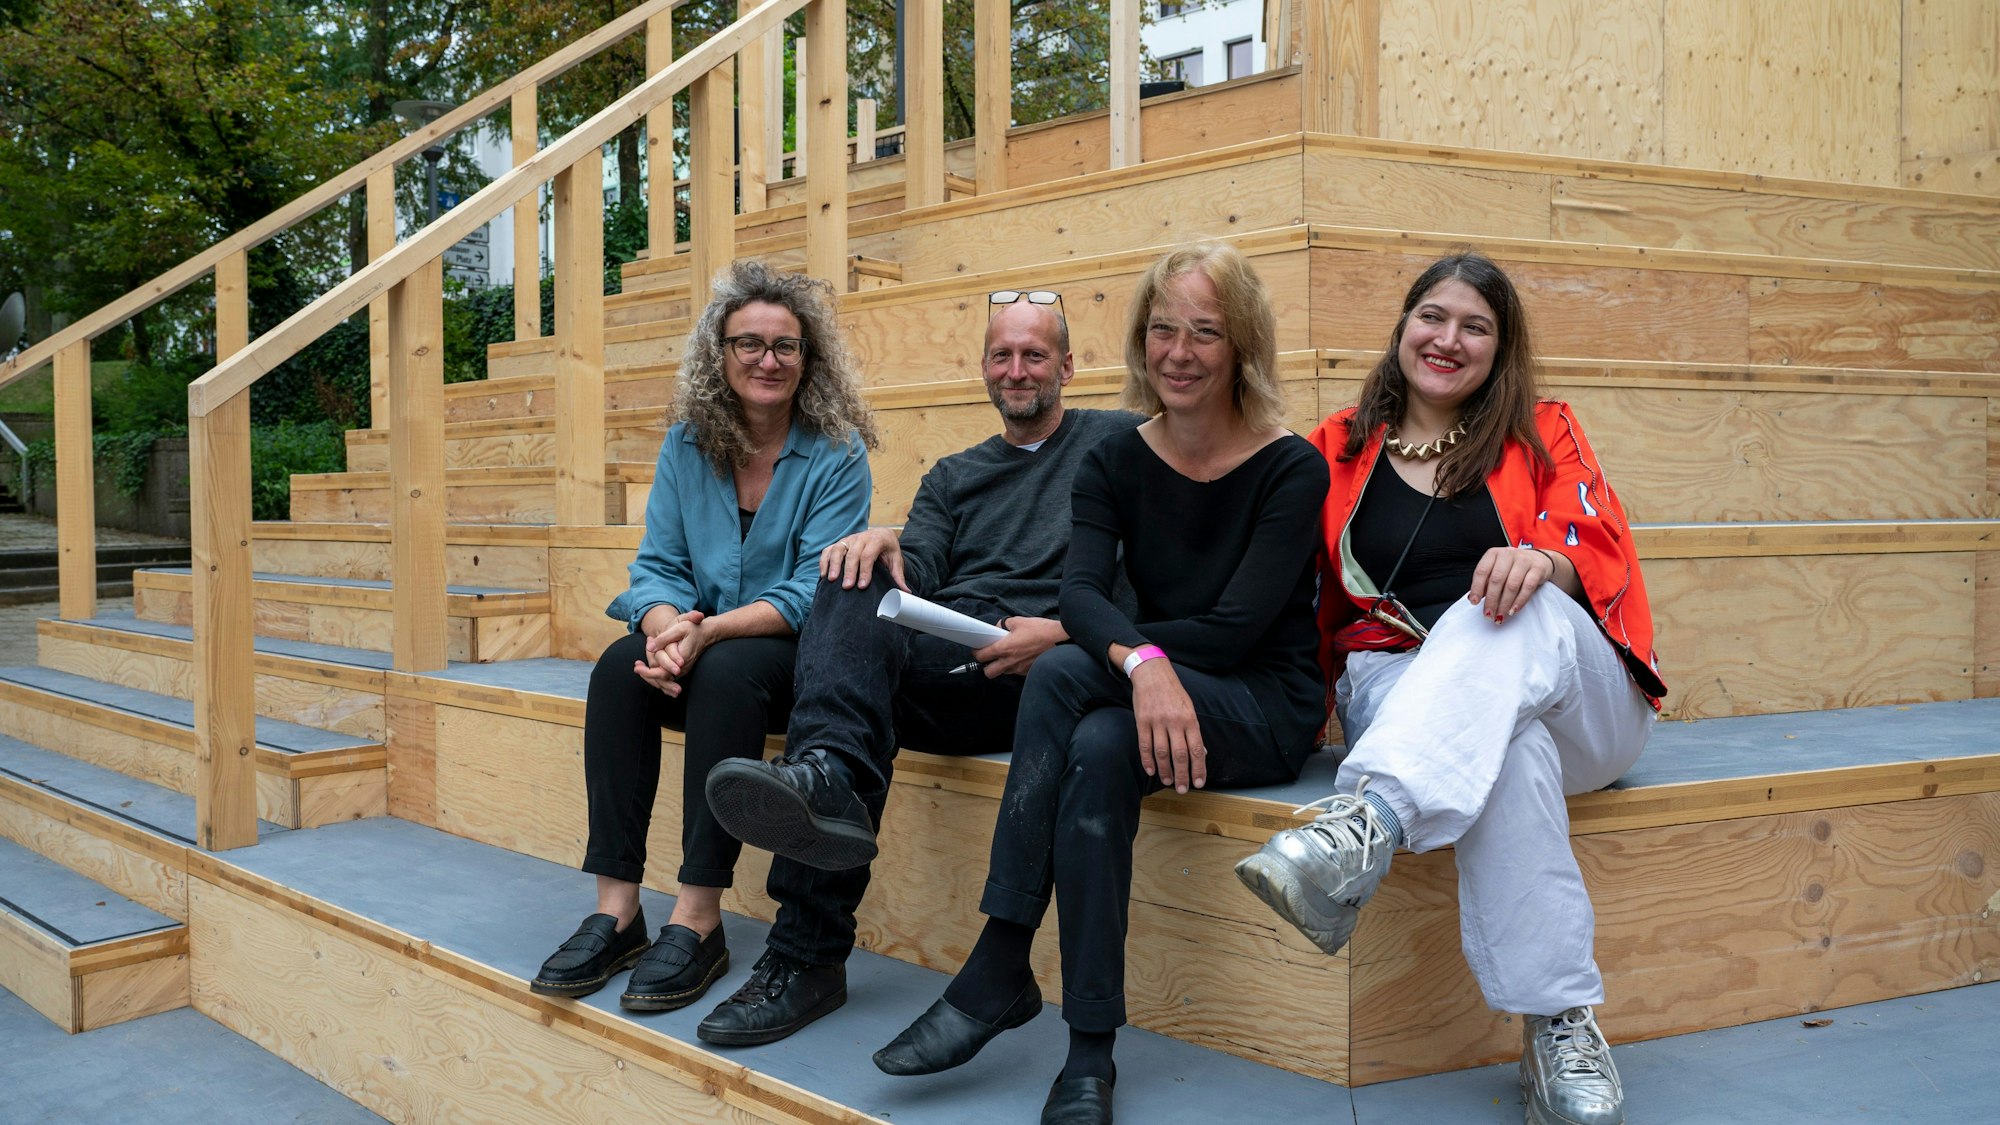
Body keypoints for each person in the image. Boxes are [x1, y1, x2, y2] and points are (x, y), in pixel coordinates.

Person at [873, 243, 1330, 1125]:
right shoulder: (1118, 457)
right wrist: (1145, 664)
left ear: (1242, 347)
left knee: (1070, 668)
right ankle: (1089, 1049)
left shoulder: (1289, 465)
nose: (1180, 352)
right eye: (1163, 329)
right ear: (1139, 340)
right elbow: (1081, 591)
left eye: (1206, 332)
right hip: (1153, 698)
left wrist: (1135, 657)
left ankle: (1003, 960)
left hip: (1259, 707)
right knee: (1094, 737)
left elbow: (1233, 629)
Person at [1234, 251, 1665, 1125]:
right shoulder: (1335, 448)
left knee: (1505, 605)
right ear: (1401, 328)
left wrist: (1540, 560)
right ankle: (1559, 1026)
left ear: (1500, 349)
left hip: (1578, 694)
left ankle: (1367, 823)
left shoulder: (1545, 429)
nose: (1448, 338)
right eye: (1433, 316)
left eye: (1476, 325)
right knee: (1509, 750)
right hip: (1410, 694)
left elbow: (1594, 535)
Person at [694, 287, 1143, 1045]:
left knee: (848, 718)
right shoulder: (954, 473)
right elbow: (922, 564)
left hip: (1044, 670)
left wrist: (1067, 635)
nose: (1017, 369)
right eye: (1002, 355)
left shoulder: (1119, 443)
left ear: (1069, 365)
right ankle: (825, 792)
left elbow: (1153, 570)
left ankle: (805, 945)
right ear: (984, 369)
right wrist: (881, 542)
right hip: (948, 650)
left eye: (1034, 354)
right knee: (849, 568)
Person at [530, 259, 878, 1043]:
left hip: (786, 660)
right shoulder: (688, 444)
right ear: (718, 354)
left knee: (724, 672)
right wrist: (660, 625)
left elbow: (812, 591)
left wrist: (706, 630)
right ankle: (616, 911)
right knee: (619, 668)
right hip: (696, 641)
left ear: (807, 358)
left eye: (786, 346)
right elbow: (656, 565)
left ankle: (698, 916)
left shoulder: (837, 450)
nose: (767, 359)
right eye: (748, 342)